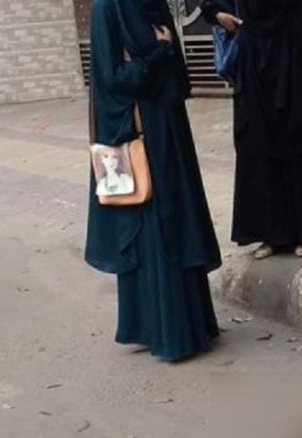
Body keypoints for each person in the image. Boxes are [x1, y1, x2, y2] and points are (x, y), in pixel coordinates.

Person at [85, 0, 222, 362]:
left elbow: (177, 76)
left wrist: (160, 56)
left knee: (177, 223)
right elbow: (113, 78)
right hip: (142, 135)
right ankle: (167, 332)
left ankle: (189, 325)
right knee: (156, 226)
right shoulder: (108, 7)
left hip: (168, 130)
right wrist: (159, 53)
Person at [202, 0, 302, 260]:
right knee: (257, 141)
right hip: (254, 55)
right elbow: (212, 6)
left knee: (301, 135)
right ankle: (273, 233)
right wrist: (217, 13)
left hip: (294, 49)